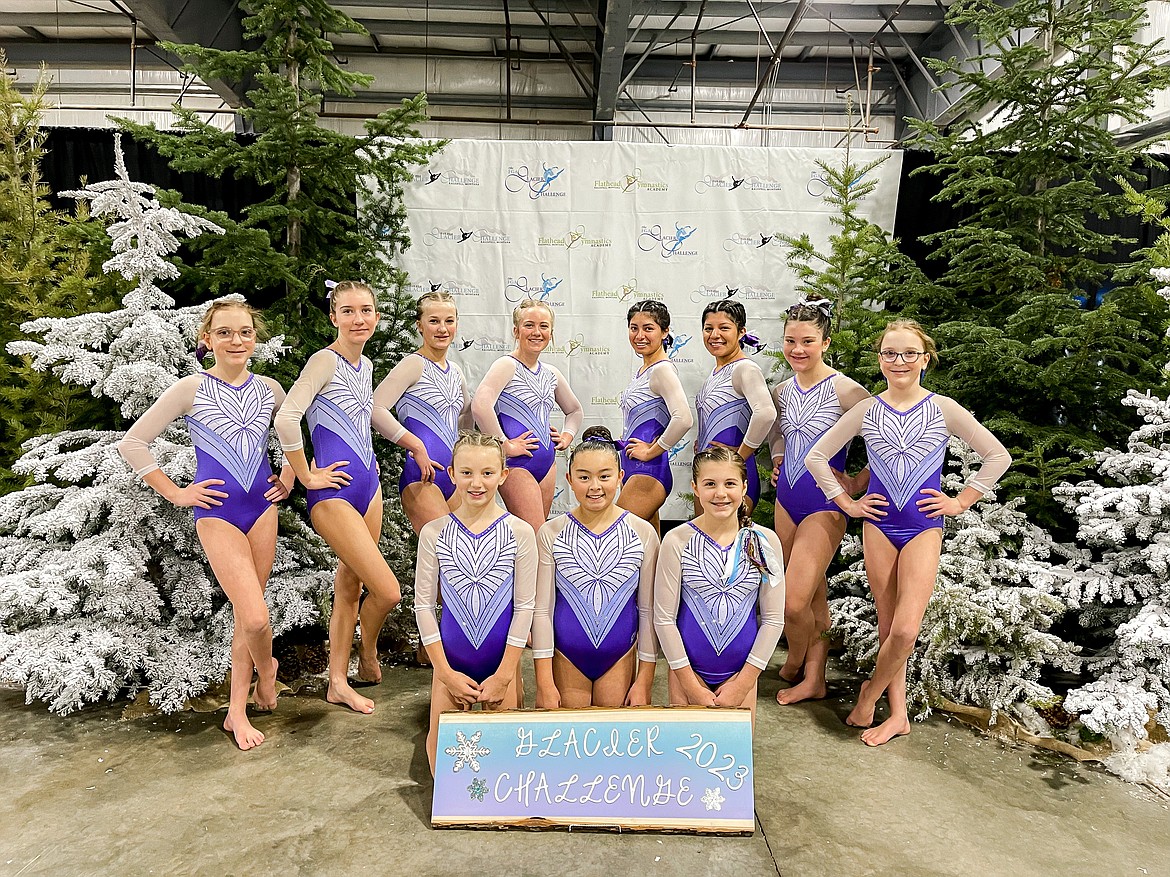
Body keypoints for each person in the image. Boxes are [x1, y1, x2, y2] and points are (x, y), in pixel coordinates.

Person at [805, 319, 1011, 746]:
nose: (899, 361)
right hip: (879, 526)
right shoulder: (867, 410)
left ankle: (869, 694)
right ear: (880, 360)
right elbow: (817, 457)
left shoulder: (943, 408)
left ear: (925, 359)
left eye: (909, 354)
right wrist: (848, 503)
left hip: (923, 527)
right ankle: (897, 715)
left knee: (905, 632)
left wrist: (959, 502)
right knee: (887, 627)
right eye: (890, 354)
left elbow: (997, 456)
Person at [118, 300, 291, 751]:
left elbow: (294, 434)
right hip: (218, 513)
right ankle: (266, 670)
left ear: (256, 338)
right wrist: (176, 492)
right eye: (225, 332)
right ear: (207, 339)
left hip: (262, 509)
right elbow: (133, 443)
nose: (237, 340)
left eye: (245, 332)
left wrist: (291, 477)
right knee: (255, 616)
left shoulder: (271, 389)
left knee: (244, 617)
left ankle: (237, 711)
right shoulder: (191, 388)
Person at [275, 281, 429, 713]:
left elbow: (361, 421)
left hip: (369, 488)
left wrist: (409, 446)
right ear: (333, 317)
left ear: (376, 316)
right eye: (348, 311)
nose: (358, 319)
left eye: (366, 311)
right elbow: (288, 418)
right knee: (388, 591)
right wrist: (304, 474)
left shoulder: (365, 365)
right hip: (335, 495)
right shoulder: (325, 360)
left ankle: (341, 677)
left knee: (350, 584)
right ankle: (364, 654)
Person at [414, 431, 537, 773]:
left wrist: (506, 672)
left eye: (487, 473)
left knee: (505, 768)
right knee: (445, 773)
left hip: (501, 665)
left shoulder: (519, 532)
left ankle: (514, 686)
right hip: (451, 665)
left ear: (503, 474)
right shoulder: (435, 533)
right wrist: (444, 672)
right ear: (452, 474)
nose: (476, 483)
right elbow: (423, 606)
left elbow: (524, 607)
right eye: (466, 473)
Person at [769, 298, 872, 706]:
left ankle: (796, 661)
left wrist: (858, 481)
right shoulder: (782, 389)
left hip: (824, 505)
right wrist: (778, 458)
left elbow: (885, 440)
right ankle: (814, 678)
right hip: (787, 499)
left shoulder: (846, 390)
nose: (797, 349)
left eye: (807, 341)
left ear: (825, 342)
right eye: (790, 340)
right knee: (813, 596)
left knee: (793, 602)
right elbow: (779, 432)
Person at [653, 446, 786, 723]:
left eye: (730, 484)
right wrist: (689, 683)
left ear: (744, 487)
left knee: (733, 763)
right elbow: (664, 618)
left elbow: (773, 620)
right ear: (695, 488)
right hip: (686, 673)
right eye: (710, 484)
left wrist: (744, 682)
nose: (720, 493)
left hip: (742, 674)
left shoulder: (764, 541)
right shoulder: (677, 540)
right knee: (685, 763)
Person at [532, 426, 660, 710]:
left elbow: (649, 611)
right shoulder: (551, 533)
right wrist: (544, 682)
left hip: (619, 658)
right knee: (567, 745)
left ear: (620, 478)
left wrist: (645, 681)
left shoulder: (643, 533)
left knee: (614, 747)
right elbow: (541, 611)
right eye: (584, 477)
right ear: (569, 479)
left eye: (605, 477)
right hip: (566, 658)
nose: (595, 486)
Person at [471, 299, 583, 534]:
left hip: (547, 465)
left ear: (551, 333)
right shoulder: (506, 365)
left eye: (544, 326)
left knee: (537, 539)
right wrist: (504, 444)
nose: (537, 332)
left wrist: (567, 435)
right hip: (517, 465)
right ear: (516, 330)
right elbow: (481, 405)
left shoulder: (551, 373)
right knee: (535, 535)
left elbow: (574, 410)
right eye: (529, 325)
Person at [372, 290, 472, 534]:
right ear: (420, 326)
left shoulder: (456, 371)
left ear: (457, 324)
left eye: (449, 321)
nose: (442, 329)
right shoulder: (413, 365)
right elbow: (376, 409)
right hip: (423, 477)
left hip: (454, 477)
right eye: (434, 321)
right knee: (444, 554)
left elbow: (467, 417)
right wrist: (416, 446)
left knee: (463, 558)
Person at [617, 300, 694, 533]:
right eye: (634, 328)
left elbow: (684, 419)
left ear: (665, 331)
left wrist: (652, 451)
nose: (639, 335)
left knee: (614, 535)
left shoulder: (662, 369)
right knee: (648, 552)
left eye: (648, 328)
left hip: (647, 472)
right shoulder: (645, 370)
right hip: (634, 470)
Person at [694, 299, 776, 516]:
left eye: (724, 328)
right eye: (708, 328)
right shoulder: (717, 372)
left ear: (741, 332)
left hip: (733, 477)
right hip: (709, 474)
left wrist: (740, 455)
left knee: (728, 546)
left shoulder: (744, 369)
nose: (714, 335)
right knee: (708, 546)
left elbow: (766, 413)